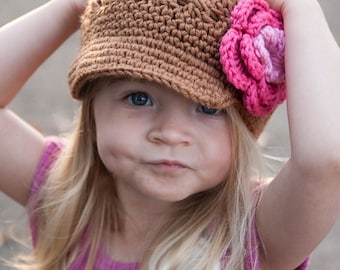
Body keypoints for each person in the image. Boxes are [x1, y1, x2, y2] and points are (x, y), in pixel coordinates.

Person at [0, 0, 340, 269]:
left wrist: (300, 7)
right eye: (139, 98)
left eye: (208, 108)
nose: (171, 133)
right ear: (92, 107)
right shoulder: (64, 200)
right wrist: (72, 6)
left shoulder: (251, 236)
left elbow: (324, 159)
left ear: (243, 129)